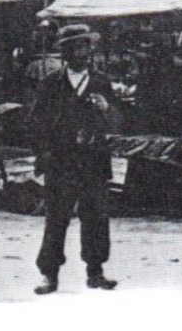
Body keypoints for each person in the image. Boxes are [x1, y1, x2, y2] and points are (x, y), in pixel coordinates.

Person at [28, 23, 117, 294]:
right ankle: (49, 274)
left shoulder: (101, 82)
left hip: (94, 161)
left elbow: (119, 120)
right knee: (56, 218)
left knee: (97, 218)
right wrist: (43, 154)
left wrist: (107, 109)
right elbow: (36, 123)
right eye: (76, 47)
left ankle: (96, 271)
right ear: (65, 52)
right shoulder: (51, 83)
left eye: (86, 46)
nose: (83, 52)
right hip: (61, 161)